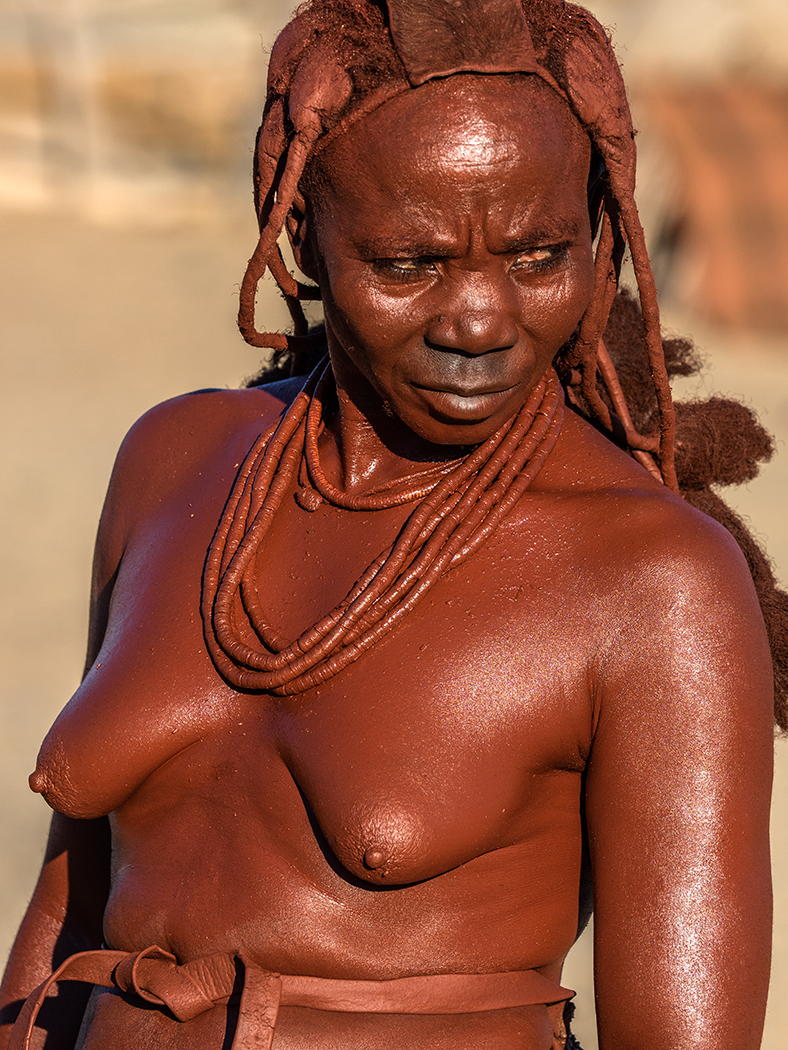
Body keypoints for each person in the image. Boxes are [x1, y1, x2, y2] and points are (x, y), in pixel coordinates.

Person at [1, 0, 785, 1048]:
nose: (477, 319)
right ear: (301, 239)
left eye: (538, 255)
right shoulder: (176, 462)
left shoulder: (649, 578)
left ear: (600, 237)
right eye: (408, 264)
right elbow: (65, 917)